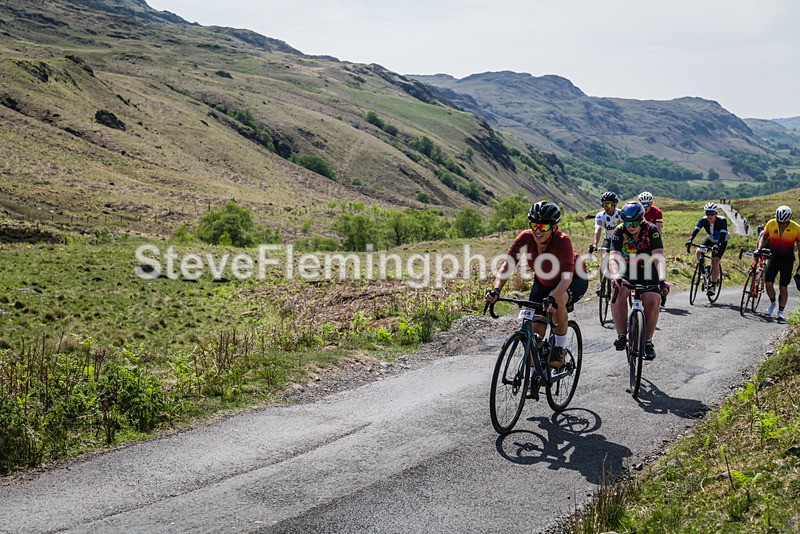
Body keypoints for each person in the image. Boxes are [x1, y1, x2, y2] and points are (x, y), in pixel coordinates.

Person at [486, 201, 588, 380]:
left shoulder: (563, 241)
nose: (538, 231)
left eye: (543, 226)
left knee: (558, 301)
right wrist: (496, 289)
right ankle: (533, 377)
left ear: (554, 227)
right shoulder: (525, 238)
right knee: (534, 331)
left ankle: (560, 348)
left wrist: (552, 298)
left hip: (573, 279)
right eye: (534, 225)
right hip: (543, 282)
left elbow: (566, 279)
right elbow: (506, 266)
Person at [607, 202, 668, 360]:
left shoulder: (651, 230)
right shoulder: (619, 231)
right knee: (618, 291)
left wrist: (661, 279)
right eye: (627, 223)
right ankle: (621, 336)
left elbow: (658, 257)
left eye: (634, 223)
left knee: (653, 299)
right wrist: (615, 276)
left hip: (647, 268)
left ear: (641, 220)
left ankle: (647, 341)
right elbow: (613, 257)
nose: (631, 226)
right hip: (626, 267)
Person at [756, 205, 800, 321]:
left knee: (783, 287)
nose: (780, 224)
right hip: (773, 257)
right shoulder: (771, 223)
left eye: (783, 223)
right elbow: (764, 238)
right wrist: (759, 249)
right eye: (779, 221)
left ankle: (780, 311)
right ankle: (772, 303)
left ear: (788, 220)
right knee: (768, 283)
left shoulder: (796, 228)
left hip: (787, 260)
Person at [685, 202, 729, 296]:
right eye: (707, 213)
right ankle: (703, 270)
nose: (709, 216)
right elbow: (695, 231)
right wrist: (690, 240)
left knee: (715, 261)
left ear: (716, 214)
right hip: (710, 239)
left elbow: (722, 235)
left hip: (721, 241)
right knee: (698, 251)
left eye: (711, 214)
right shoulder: (703, 220)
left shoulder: (722, 220)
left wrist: (717, 245)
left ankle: (713, 285)